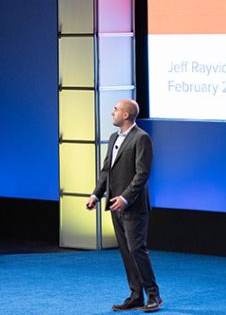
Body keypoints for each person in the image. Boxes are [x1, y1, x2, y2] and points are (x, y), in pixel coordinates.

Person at [86, 99, 162, 312]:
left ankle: (154, 296)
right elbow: (106, 172)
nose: (113, 113)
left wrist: (126, 198)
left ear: (126, 115)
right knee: (126, 252)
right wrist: (96, 194)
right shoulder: (113, 138)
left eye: (116, 110)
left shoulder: (141, 138)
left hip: (133, 206)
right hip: (114, 205)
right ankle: (136, 295)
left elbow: (142, 174)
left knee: (137, 249)